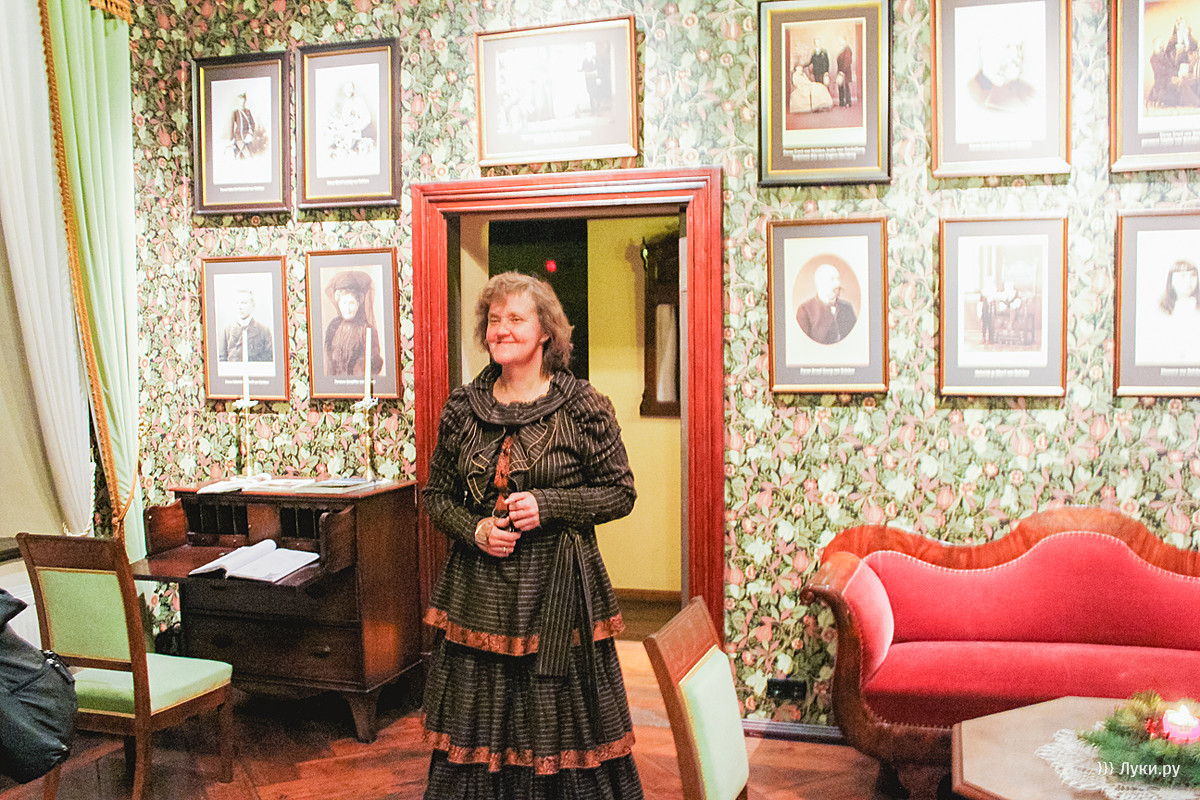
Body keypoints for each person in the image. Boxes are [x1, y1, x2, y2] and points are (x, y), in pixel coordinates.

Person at [421, 272, 642, 800]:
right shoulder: (463, 408)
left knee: (561, 715)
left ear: (546, 331)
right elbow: (435, 496)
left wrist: (550, 505)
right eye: (494, 319)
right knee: (479, 716)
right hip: (479, 592)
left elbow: (620, 493)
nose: (502, 329)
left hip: (559, 591)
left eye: (516, 318)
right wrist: (475, 529)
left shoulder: (583, 406)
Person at [323, 270, 383, 377]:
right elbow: (329, 364)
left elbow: (372, 364)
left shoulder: (367, 330)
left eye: (351, 303)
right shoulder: (334, 327)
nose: (347, 308)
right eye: (343, 303)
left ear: (358, 304)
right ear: (338, 304)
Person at [796, 262, 857, 344]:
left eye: (838, 279)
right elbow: (803, 345)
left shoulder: (847, 308)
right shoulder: (805, 310)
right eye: (832, 279)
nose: (838, 283)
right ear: (820, 283)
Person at [217, 287, 272, 362]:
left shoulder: (264, 331)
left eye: (244, 303)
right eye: (237, 303)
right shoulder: (227, 331)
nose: (240, 307)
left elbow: (269, 360)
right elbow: (221, 360)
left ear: (253, 305)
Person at [229, 92, 256, 159]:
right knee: (247, 155)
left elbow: (252, 123)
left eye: (243, 100)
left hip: (248, 138)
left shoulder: (248, 111)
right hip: (239, 138)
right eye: (240, 100)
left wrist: (250, 134)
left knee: (251, 155)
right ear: (238, 101)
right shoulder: (235, 112)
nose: (242, 102)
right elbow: (231, 126)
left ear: (245, 100)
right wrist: (232, 138)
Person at [836, 36, 854, 107]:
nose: (840, 42)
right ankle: (842, 102)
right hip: (841, 70)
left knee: (846, 86)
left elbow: (847, 61)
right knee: (841, 86)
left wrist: (842, 72)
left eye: (841, 40)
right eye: (839, 40)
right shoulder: (842, 49)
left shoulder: (847, 49)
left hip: (845, 71)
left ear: (845, 40)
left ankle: (848, 102)